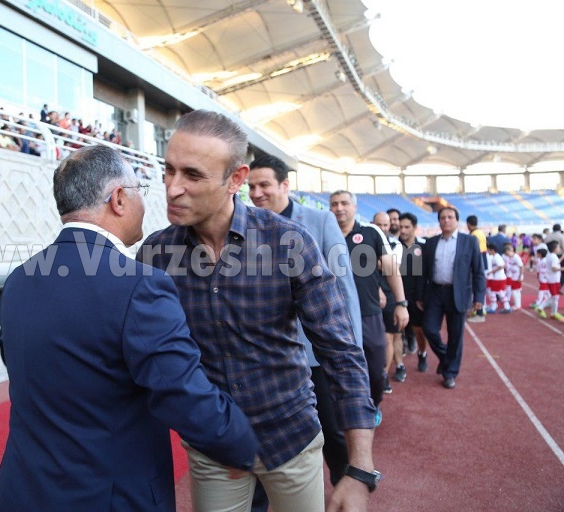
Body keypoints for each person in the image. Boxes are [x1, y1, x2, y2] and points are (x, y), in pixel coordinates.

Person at [0, 145, 258, 511]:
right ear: (118, 199)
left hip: (22, 491)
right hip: (107, 496)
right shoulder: (139, 285)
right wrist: (240, 444)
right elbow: (181, 392)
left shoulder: (19, 280)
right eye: (139, 191)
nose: (144, 203)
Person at [138, 110, 379, 512]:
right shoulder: (155, 254)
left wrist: (359, 468)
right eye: (169, 170)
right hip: (213, 447)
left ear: (236, 179)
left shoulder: (290, 242)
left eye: (192, 175)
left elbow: (341, 351)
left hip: (291, 438)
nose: (173, 188)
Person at [247, 154, 364, 493]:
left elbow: (344, 289)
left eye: (264, 185)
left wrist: (351, 351)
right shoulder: (245, 226)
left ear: (285, 185)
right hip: (268, 356)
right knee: (271, 438)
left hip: (316, 353)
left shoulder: (320, 220)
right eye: (251, 186)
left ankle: (345, 487)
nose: (256, 193)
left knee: (333, 431)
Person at [330, 191, 408, 421]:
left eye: (344, 203)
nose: (339, 208)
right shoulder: (324, 232)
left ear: (355, 207)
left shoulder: (371, 232)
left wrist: (401, 303)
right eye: (334, 204)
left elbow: (391, 269)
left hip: (368, 312)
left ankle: (374, 404)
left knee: (375, 366)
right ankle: (343, 413)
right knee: (335, 368)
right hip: (334, 315)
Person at [418, 207, 485, 390]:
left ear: (457, 220)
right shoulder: (431, 242)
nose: (446, 220)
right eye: (442, 218)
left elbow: (478, 271)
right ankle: (447, 357)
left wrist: (479, 296)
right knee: (429, 329)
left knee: (455, 336)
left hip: (458, 293)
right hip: (435, 293)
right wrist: (420, 295)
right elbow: (423, 271)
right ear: (439, 221)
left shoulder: (469, 242)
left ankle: (450, 373)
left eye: (450, 217)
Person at [372, 212, 405, 389]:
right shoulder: (366, 241)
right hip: (370, 295)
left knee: (390, 337)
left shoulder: (396, 244)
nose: (383, 228)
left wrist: (370, 260)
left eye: (385, 225)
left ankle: (384, 374)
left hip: (391, 296)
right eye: (379, 225)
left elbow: (391, 267)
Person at [397, 213, 429, 372]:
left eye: (407, 227)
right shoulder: (393, 246)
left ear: (415, 228)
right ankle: (399, 365)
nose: (403, 230)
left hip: (417, 296)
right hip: (397, 296)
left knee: (419, 330)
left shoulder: (424, 246)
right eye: (401, 227)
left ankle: (422, 354)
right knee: (396, 332)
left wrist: (422, 296)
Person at [465, 215, 488, 323]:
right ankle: (478, 310)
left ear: (468, 224)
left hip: (477, 261)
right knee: (479, 286)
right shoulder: (480, 233)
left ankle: (479, 312)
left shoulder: (474, 235)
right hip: (482, 259)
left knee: (476, 287)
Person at [485, 243, 511, 314]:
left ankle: (506, 307)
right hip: (496, 278)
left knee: (499, 292)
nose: (488, 251)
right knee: (493, 292)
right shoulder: (493, 257)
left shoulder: (497, 257)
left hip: (499, 278)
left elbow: (501, 266)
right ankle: (495, 306)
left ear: (492, 250)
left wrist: (492, 272)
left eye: (488, 250)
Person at [502, 243, 524, 310]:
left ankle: (517, 305)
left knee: (514, 291)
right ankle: (518, 304)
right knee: (516, 291)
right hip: (513, 275)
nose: (507, 255)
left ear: (509, 251)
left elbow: (521, 266)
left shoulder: (516, 257)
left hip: (517, 276)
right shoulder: (510, 258)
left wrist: (520, 276)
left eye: (507, 253)